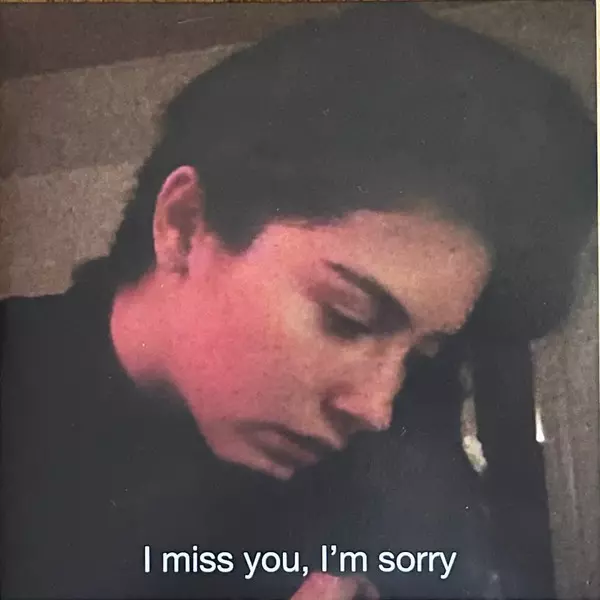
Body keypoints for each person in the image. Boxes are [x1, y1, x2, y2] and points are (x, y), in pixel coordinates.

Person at [1, 4, 595, 599]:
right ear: (183, 225)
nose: (375, 406)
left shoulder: (389, 455)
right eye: (347, 317)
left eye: (419, 355)